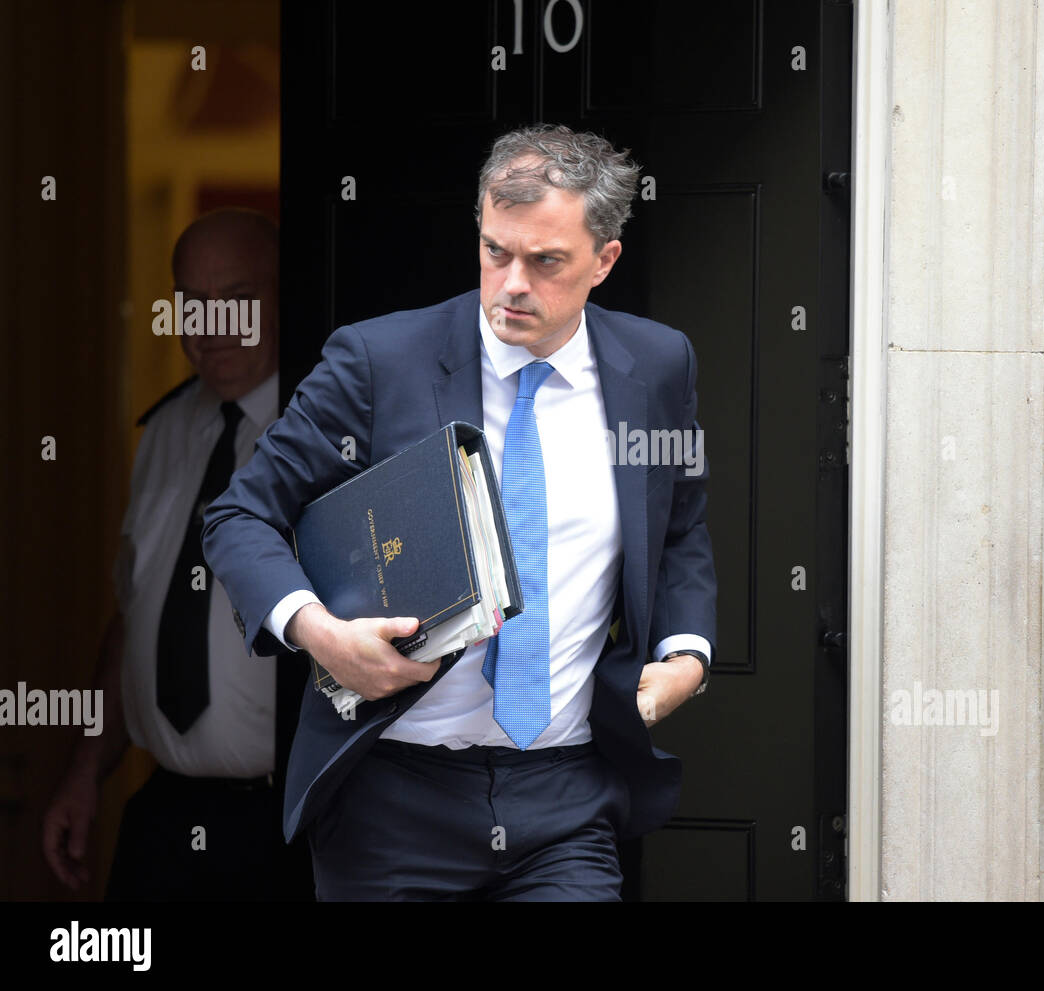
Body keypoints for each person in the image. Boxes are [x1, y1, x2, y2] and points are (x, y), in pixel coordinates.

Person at [202, 124, 718, 901]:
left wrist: (686, 658)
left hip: (567, 798)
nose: (512, 283)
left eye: (545, 262)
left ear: (604, 260)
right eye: (494, 251)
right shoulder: (379, 361)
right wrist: (320, 633)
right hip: (391, 799)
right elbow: (239, 515)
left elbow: (678, 527)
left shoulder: (657, 365)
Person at [42, 208, 313, 900]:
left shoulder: (326, 436)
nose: (211, 326)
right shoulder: (164, 434)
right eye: (192, 303)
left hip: (286, 830)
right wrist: (83, 769)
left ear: (283, 298)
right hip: (163, 825)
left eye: (239, 301)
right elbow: (134, 619)